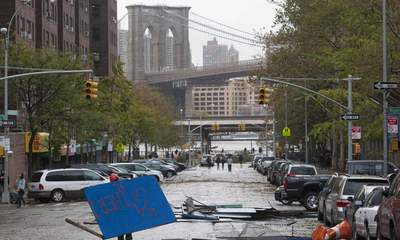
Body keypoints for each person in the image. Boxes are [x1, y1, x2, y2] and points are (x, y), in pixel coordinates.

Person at [110, 173, 133, 240]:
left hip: (125, 210)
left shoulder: (124, 183)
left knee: (127, 229)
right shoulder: (110, 187)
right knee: (121, 230)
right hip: (119, 212)